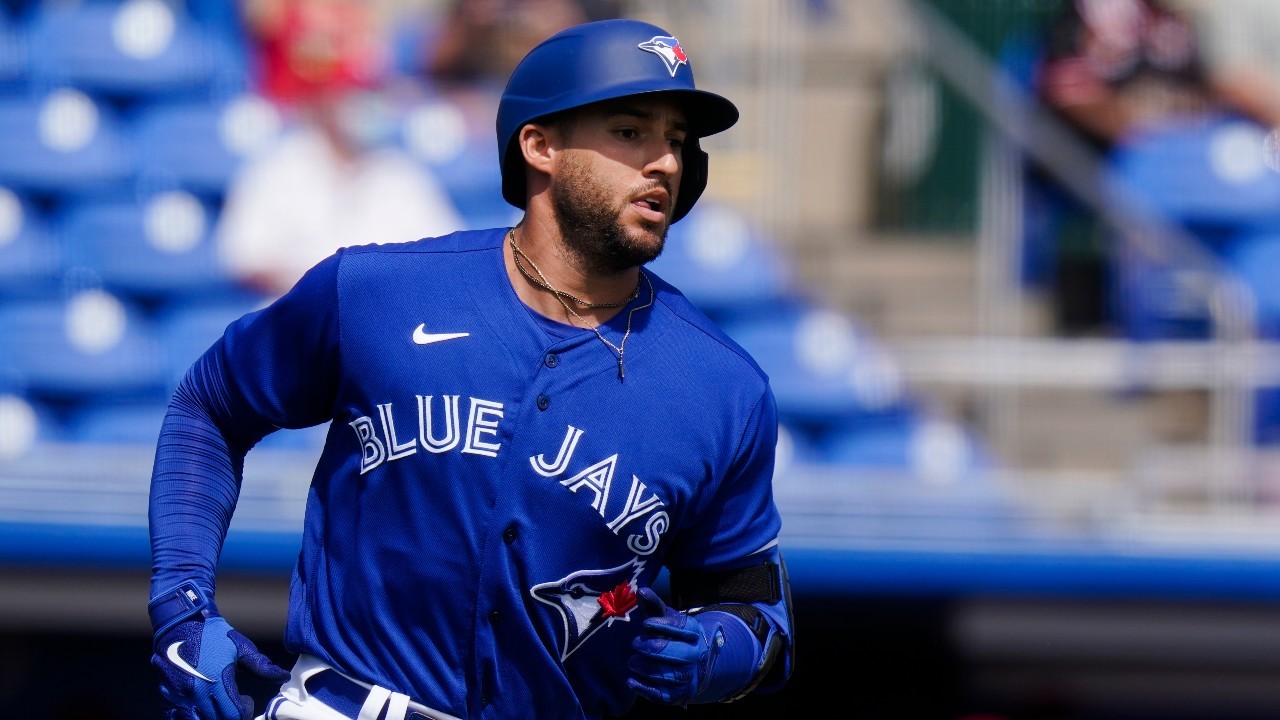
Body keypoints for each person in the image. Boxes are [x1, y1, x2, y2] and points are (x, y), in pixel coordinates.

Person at [146, 17, 795, 720]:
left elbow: (753, 604)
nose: (665, 162)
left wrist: (718, 653)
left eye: (676, 141)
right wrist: (183, 606)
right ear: (540, 145)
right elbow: (210, 406)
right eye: (632, 131)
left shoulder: (722, 388)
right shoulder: (376, 292)